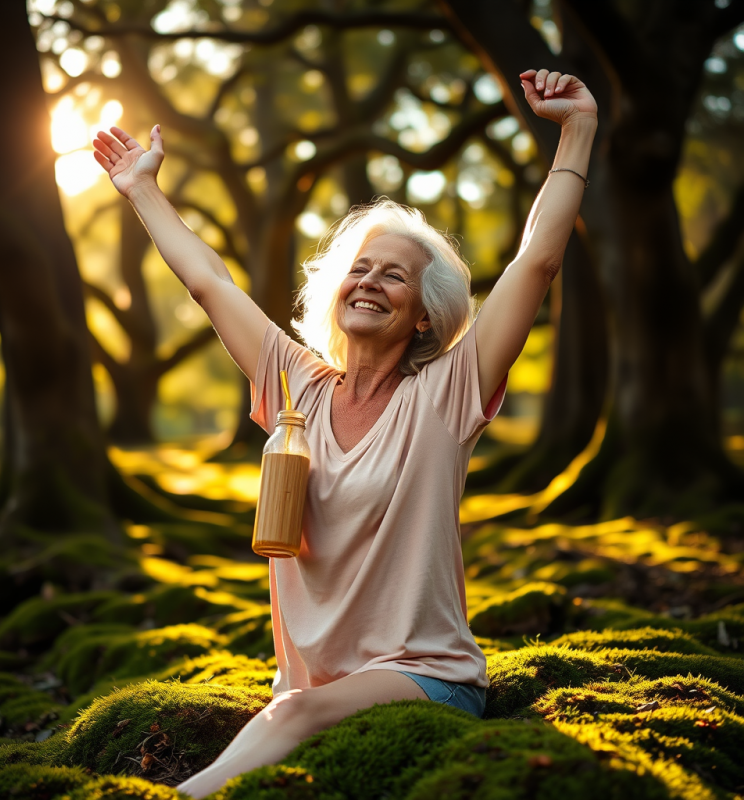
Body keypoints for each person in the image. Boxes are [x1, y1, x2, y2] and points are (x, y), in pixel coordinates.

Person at [93, 67, 597, 797]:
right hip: (311, 688)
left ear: (424, 315)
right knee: (293, 708)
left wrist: (576, 129)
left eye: (394, 277)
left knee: (292, 716)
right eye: (360, 268)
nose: (369, 282)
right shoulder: (295, 382)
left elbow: (537, 261)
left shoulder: (448, 394)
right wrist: (142, 189)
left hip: (426, 677)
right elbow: (210, 282)